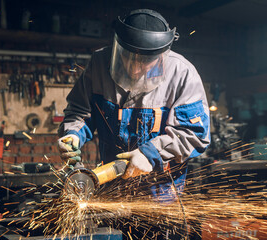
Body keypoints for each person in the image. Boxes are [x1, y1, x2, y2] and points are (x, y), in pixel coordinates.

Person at [58, 8, 210, 238]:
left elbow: (195, 133)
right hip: (111, 198)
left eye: (145, 61)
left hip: (162, 202)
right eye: (127, 56)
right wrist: (73, 134)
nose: (134, 67)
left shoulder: (182, 74)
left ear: (161, 54)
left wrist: (151, 154)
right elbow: (80, 111)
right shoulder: (100, 63)